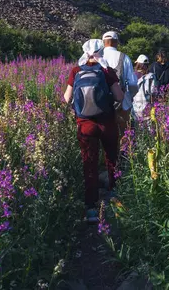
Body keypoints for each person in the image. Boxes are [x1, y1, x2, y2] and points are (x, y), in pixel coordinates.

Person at [64, 39, 124, 223]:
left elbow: (66, 98)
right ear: (100, 52)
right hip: (106, 122)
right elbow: (119, 96)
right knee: (111, 157)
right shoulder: (107, 71)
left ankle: (91, 208)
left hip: (85, 125)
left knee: (89, 162)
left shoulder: (76, 70)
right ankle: (114, 196)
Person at [101, 31, 138, 143]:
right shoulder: (124, 57)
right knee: (122, 134)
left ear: (103, 43)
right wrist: (130, 97)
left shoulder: (95, 57)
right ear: (116, 42)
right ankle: (122, 157)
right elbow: (132, 84)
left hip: (99, 104)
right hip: (120, 104)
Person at [132, 54, 157, 121]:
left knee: (137, 129)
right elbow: (153, 93)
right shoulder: (151, 76)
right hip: (147, 108)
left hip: (135, 108)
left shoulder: (132, 76)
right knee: (149, 129)